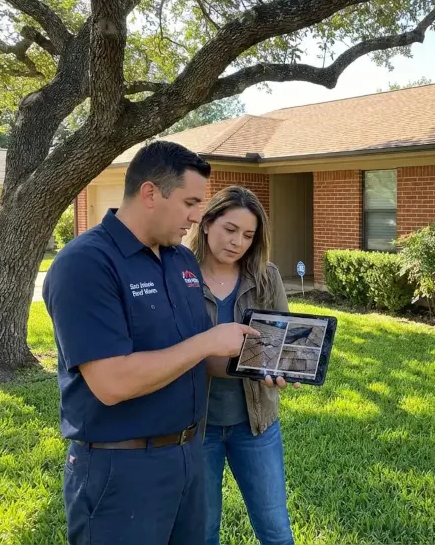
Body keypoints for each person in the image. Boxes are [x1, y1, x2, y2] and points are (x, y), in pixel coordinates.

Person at [43, 141, 260, 545]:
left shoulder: (180, 260)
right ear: (149, 193)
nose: (197, 217)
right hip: (121, 468)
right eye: (190, 202)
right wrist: (208, 341)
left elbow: (194, 357)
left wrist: (254, 366)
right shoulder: (86, 264)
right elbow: (112, 383)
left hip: (188, 456)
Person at [188, 186, 298, 545]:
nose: (238, 242)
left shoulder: (267, 277)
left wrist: (283, 368)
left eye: (248, 235)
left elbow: (280, 343)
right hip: (195, 428)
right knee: (202, 532)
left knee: (275, 529)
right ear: (207, 223)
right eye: (230, 230)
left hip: (256, 425)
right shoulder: (178, 276)